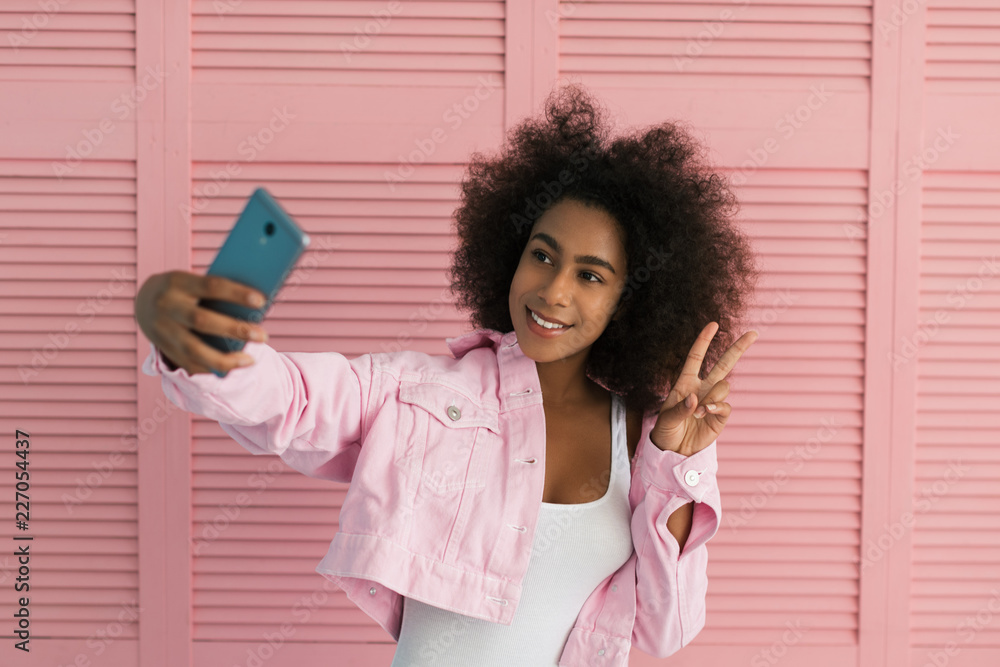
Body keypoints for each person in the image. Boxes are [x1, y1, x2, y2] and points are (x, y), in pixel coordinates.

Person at [133, 82, 761, 666]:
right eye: (541, 255)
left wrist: (674, 463)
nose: (553, 290)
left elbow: (663, 629)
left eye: (591, 275)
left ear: (633, 300)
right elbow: (291, 399)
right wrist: (189, 340)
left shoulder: (642, 441)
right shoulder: (419, 394)